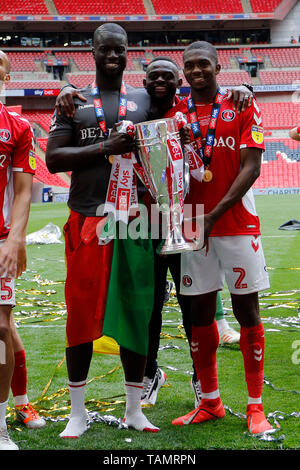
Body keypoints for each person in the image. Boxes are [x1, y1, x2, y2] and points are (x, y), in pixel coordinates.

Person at [55, 54, 251, 410]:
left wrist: (244, 86)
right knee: (150, 301)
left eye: (167, 77)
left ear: (179, 82)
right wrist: (66, 88)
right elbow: (96, 100)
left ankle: (200, 379)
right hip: (145, 217)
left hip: (186, 213)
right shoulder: (137, 105)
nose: (159, 82)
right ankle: (149, 374)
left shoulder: (185, 106)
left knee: (194, 302)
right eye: (152, 77)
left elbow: (219, 95)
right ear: (142, 81)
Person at [46, 23, 159, 438]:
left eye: (120, 50)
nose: (113, 57)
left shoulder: (148, 99)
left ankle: (134, 409)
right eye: (105, 50)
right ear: (92, 52)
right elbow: (54, 159)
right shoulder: (73, 100)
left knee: (135, 312)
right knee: (80, 315)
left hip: (134, 221)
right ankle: (77, 413)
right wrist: (102, 148)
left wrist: (245, 92)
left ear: (129, 53)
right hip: (88, 219)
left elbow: (185, 117)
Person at [165, 41, 273, 435]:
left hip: (237, 224)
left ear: (217, 65)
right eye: (189, 66)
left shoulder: (243, 104)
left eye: (203, 64)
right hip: (194, 226)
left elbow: (252, 168)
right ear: (184, 71)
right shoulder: (175, 115)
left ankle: (255, 407)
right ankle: (210, 402)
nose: (196, 71)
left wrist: (213, 214)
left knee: (247, 313)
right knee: (199, 315)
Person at [0, 50, 40, 450]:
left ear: (8, 75)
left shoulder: (17, 126)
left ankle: (4, 422)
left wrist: (16, 238)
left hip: (0, 240)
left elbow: (25, 189)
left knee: (0, 327)